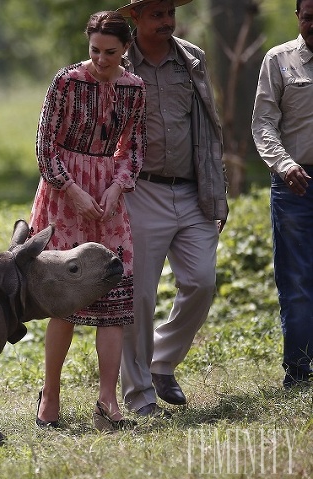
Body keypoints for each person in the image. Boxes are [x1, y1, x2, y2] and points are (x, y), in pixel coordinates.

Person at [31, 10, 145, 432]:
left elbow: (133, 147)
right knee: (65, 299)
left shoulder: (135, 88)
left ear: (125, 50)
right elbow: (45, 144)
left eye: (110, 52)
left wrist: (117, 187)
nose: (101, 59)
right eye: (95, 50)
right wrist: (72, 189)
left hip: (108, 196)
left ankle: (108, 402)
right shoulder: (65, 82)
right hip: (65, 194)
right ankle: (51, 396)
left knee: (113, 300)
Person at [116, 0, 228, 417]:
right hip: (141, 191)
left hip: (194, 191)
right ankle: (140, 394)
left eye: (169, 13)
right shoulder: (120, 61)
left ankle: (161, 361)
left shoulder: (192, 58)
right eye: (155, 14)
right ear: (136, 18)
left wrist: (217, 190)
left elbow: (209, 127)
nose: (166, 22)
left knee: (201, 282)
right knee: (139, 295)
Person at [251, 0, 313, 389]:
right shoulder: (279, 60)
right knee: (297, 281)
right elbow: (263, 123)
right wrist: (284, 163)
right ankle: (299, 371)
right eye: (308, 17)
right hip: (296, 184)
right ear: (298, 17)